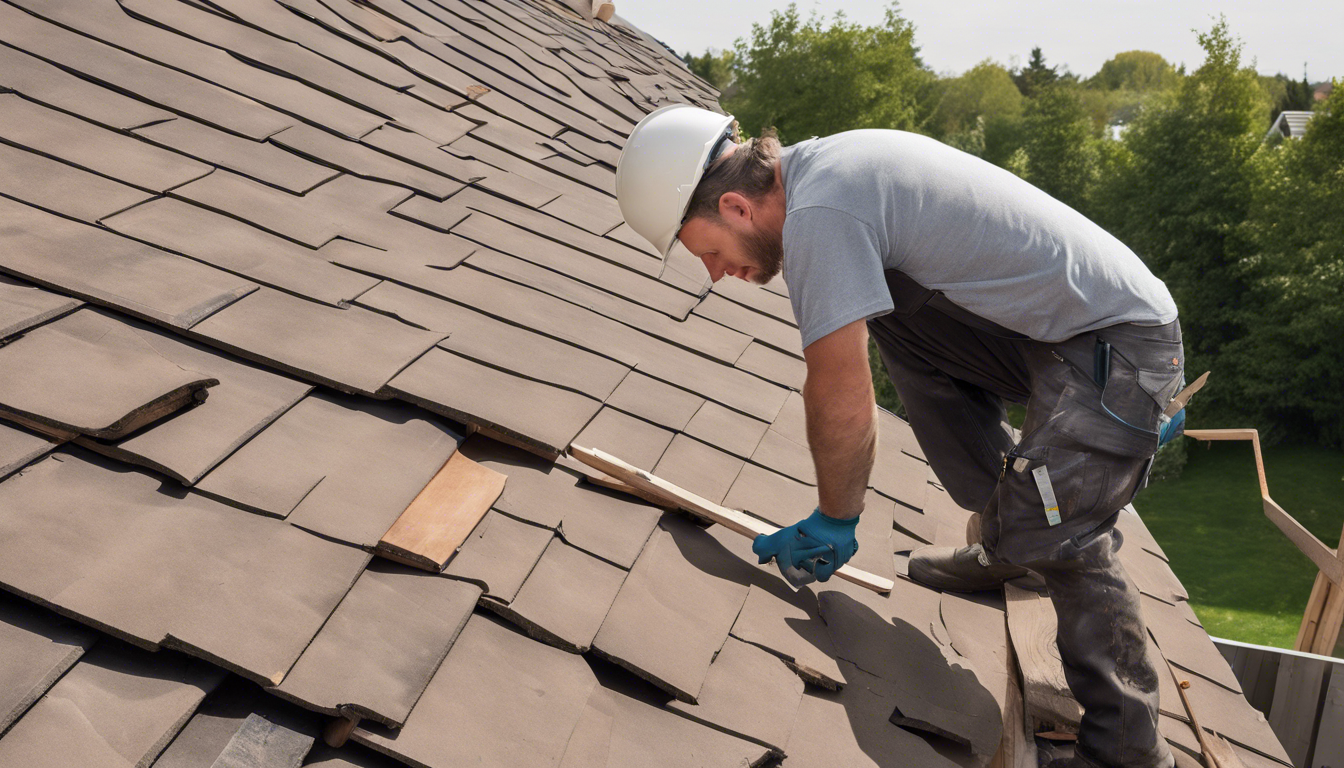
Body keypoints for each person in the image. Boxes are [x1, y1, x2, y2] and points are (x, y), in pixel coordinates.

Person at [615, 105, 1195, 768]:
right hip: (1047, 335)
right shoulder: (821, 175)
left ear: (737, 206)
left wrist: (837, 516)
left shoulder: (823, 212)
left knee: (1064, 530)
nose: (718, 274)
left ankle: (1132, 749)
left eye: (710, 253)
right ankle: (1012, 536)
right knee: (891, 314)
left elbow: (839, 391)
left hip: (1116, 347)